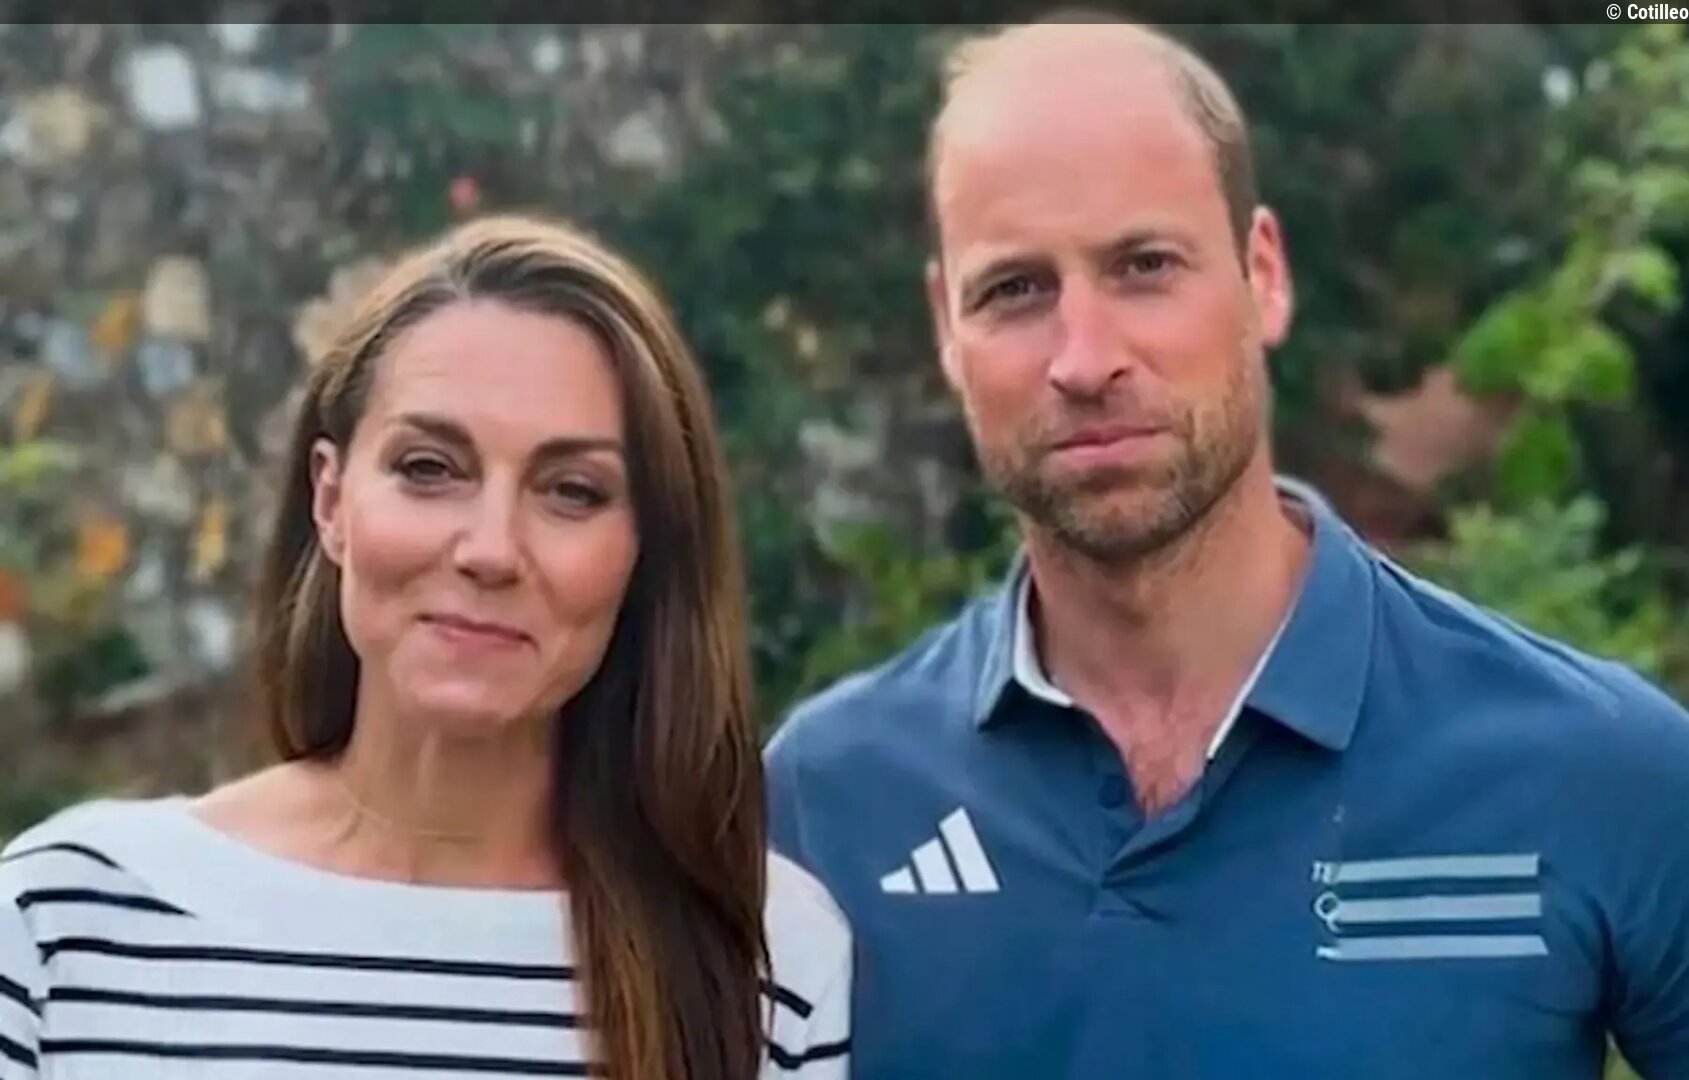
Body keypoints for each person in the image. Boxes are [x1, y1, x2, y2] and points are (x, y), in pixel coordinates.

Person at [764, 16, 1689, 1080]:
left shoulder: (1601, 770)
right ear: (945, 326)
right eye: (1015, 288)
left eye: (1144, 265)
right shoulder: (821, 807)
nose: (1085, 359)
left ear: (1265, 275)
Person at [1, 214, 851, 1079]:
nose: (490, 549)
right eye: (429, 469)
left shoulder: (763, 960)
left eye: (571, 491)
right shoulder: (65, 925)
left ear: (645, 552)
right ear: (331, 500)